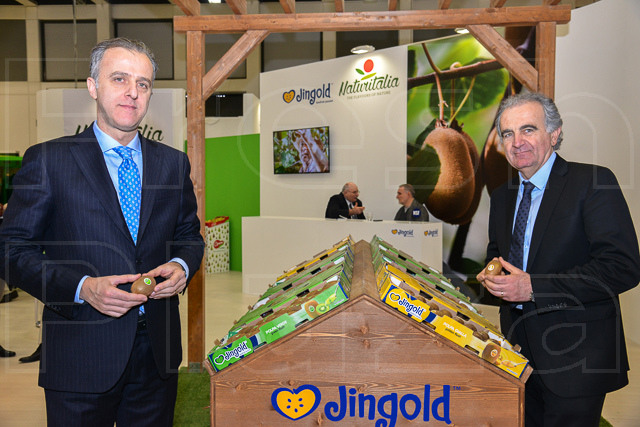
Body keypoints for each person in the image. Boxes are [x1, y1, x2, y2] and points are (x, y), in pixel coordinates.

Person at [0, 38, 204, 426]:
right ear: (93, 86)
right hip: (81, 354)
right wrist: (82, 287)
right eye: (119, 79)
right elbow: (10, 249)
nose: (133, 92)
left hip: (156, 354)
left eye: (143, 83)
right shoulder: (49, 160)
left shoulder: (173, 163)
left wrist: (181, 264)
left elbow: (189, 236)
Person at [476, 92, 640, 427]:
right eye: (508, 133)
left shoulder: (593, 183)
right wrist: (493, 273)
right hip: (518, 354)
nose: (517, 142)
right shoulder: (502, 196)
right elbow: (499, 253)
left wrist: (532, 288)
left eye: (528, 129)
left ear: (554, 134)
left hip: (577, 358)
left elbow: (621, 267)